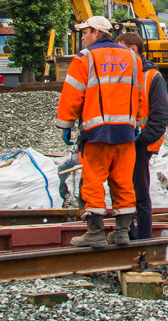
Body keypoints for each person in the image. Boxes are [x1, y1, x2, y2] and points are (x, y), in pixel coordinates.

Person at [57, 16, 143, 248]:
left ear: (96, 32)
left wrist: (65, 124)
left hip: (97, 133)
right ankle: (122, 232)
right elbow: (139, 94)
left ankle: (95, 233)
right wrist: (137, 123)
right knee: (123, 181)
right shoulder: (132, 58)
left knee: (93, 181)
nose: (83, 37)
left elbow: (72, 94)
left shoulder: (85, 58)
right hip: (125, 133)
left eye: (85, 32)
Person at [117, 33, 168, 240]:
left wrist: (143, 141)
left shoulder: (152, 77)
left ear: (133, 50)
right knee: (125, 191)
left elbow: (161, 115)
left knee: (140, 194)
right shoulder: (125, 73)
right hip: (125, 141)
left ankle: (143, 238)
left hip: (139, 144)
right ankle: (130, 234)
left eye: (120, 49)